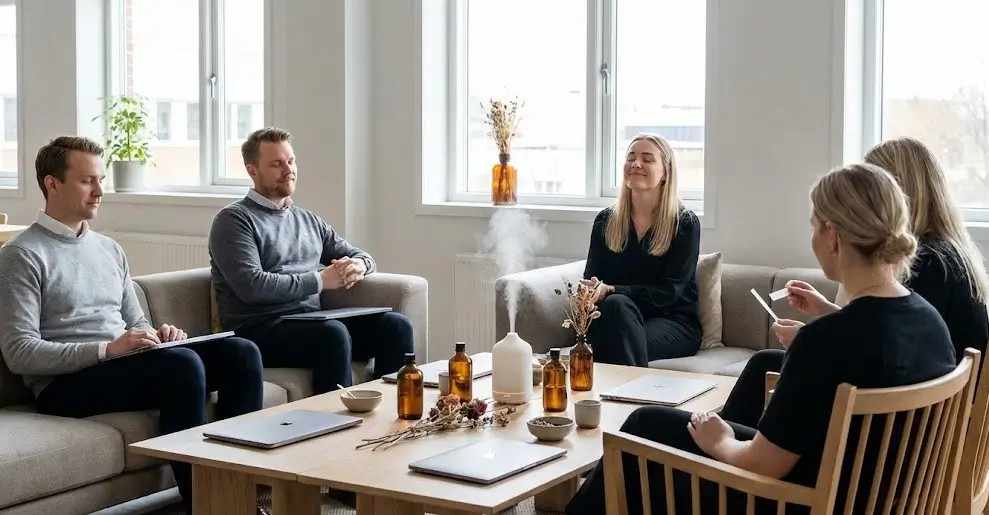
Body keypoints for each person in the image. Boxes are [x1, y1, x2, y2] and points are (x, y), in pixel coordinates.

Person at [566, 163, 958, 515]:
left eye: (813, 226)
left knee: (642, 427)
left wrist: (720, 443)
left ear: (833, 236)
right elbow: (867, 341)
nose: (813, 237)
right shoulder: (929, 321)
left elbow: (763, 465)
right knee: (747, 376)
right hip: (870, 494)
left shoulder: (821, 342)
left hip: (794, 499)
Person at [0, 136, 265, 510]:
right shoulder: (21, 255)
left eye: (101, 179)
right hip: (64, 385)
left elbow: (134, 319)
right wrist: (107, 349)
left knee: (241, 352)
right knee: (182, 367)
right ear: (52, 184)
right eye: (87, 181)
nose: (99, 191)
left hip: (121, 365)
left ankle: (245, 490)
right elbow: (19, 353)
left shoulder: (109, 248)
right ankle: (207, 505)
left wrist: (158, 335)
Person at [720, 137, 989, 427]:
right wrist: (826, 314)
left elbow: (897, 354)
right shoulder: (949, 252)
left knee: (755, 380)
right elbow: (892, 338)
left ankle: (720, 454)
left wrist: (814, 342)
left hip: (917, 425)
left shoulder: (929, 264)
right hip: (929, 410)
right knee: (766, 363)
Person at [209, 127, 414, 394]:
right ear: (252, 171)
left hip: (313, 323)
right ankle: (334, 428)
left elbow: (358, 254)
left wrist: (360, 266)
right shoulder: (234, 220)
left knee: (396, 327)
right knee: (332, 334)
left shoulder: (307, 220)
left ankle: (390, 418)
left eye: (291, 161)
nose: (288, 170)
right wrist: (320, 280)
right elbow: (252, 287)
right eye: (276, 164)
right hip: (259, 329)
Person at [580, 133, 702, 367]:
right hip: (616, 315)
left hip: (671, 321)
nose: (636, 164)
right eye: (631, 157)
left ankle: (617, 397)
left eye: (648, 159)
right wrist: (591, 291)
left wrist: (614, 289)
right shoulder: (605, 221)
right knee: (616, 307)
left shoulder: (684, 223)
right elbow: (592, 278)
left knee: (618, 328)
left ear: (665, 173)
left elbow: (668, 293)